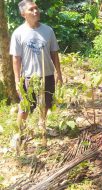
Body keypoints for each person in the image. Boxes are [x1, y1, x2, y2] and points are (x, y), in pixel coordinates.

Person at [10, 0, 63, 141]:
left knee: (46, 102)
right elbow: (16, 58)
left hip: (47, 74)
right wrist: (17, 80)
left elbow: (54, 53)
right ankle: (20, 132)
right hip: (28, 76)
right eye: (31, 9)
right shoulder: (18, 33)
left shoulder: (48, 30)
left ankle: (42, 124)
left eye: (36, 8)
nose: (35, 11)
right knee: (26, 106)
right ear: (23, 14)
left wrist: (59, 73)